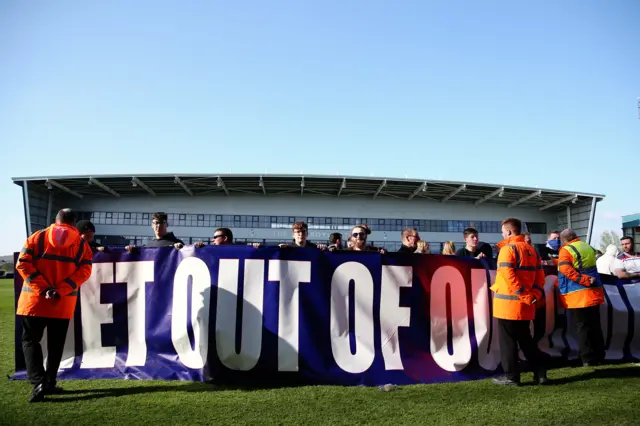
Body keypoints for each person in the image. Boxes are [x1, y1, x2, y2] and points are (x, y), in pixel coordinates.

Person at [15, 208, 93, 402]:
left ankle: (38, 382)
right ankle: (49, 382)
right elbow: (85, 271)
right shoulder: (81, 244)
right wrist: (61, 290)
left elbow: (22, 264)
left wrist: (43, 289)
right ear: (74, 223)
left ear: (55, 220)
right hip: (62, 303)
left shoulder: (37, 237)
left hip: (34, 301)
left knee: (30, 341)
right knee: (56, 345)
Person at [490, 218, 547, 386]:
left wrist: (524, 295)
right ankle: (540, 371)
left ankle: (511, 376)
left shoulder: (507, 249)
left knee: (508, 342)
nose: (502, 234)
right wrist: (533, 295)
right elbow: (540, 277)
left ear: (508, 232)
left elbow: (508, 276)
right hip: (525, 305)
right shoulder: (532, 250)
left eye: (502, 231)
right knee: (526, 340)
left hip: (508, 305)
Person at [557, 228, 605, 366]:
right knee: (595, 325)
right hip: (594, 291)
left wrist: (582, 279)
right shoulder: (588, 247)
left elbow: (566, 269)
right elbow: (581, 263)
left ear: (563, 240)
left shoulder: (566, 250)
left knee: (582, 327)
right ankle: (600, 356)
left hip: (578, 293)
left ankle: (587, 358)